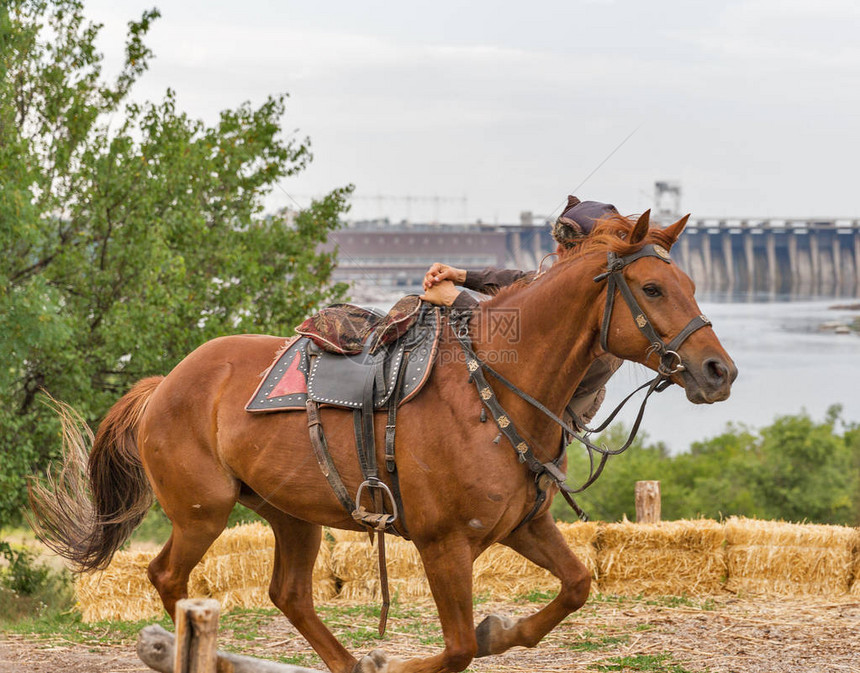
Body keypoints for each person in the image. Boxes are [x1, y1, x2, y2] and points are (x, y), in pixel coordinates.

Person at [419, 196, 623, 428]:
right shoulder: (597, 285)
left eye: (568, 247)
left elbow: (508, 340)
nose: (557, 251)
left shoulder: (592, 308)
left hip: (539, 430)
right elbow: (528, 282)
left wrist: (454, 299)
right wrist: (461, 276)